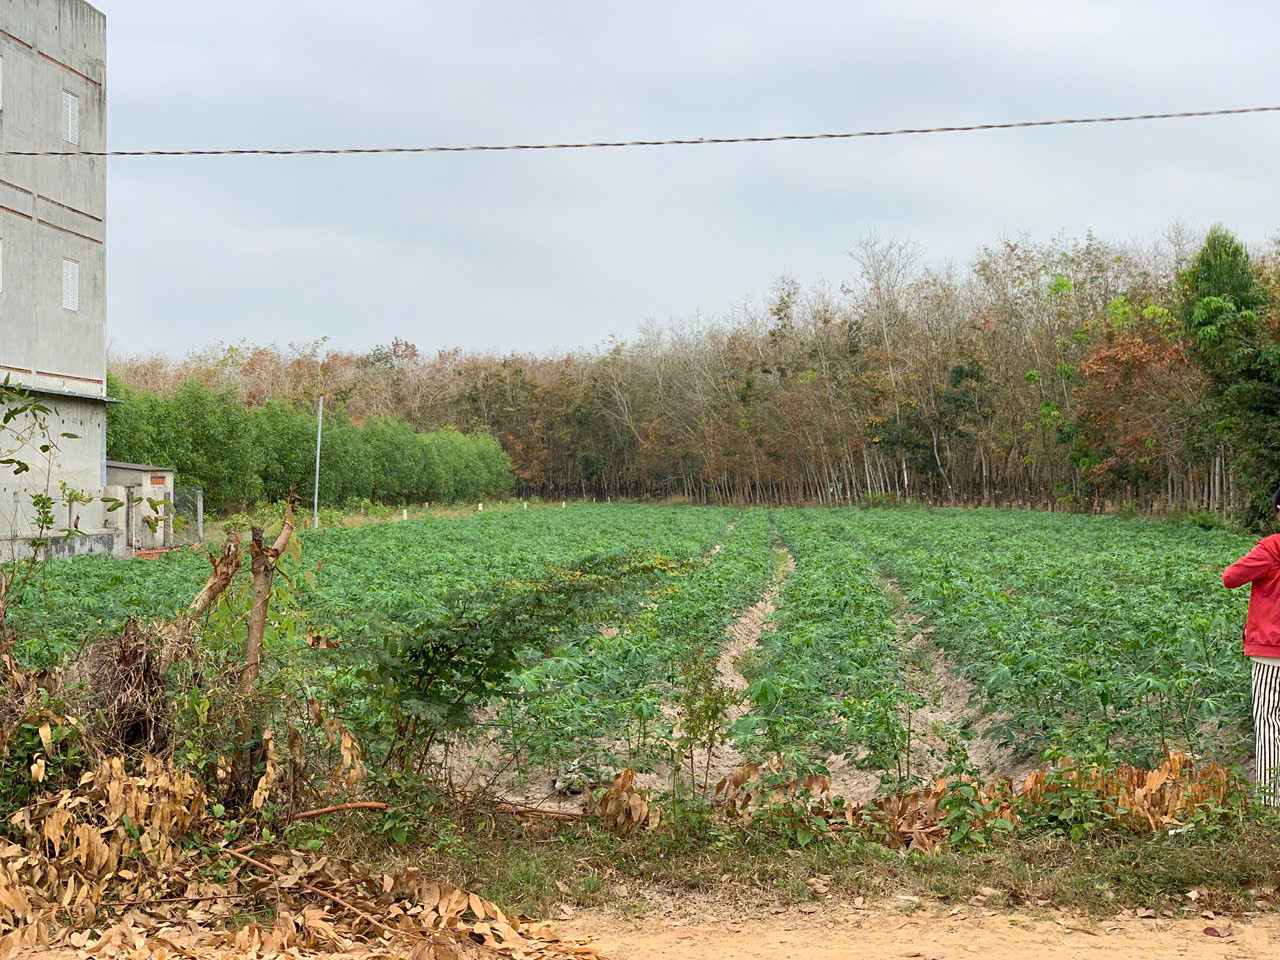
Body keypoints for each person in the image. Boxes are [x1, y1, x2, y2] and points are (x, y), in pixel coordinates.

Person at [1222, 487, 1280, 806]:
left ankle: (1271, 800)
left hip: (1271, 651)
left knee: (1269, 720)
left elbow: (1231, 577)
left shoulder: (1272, 548)